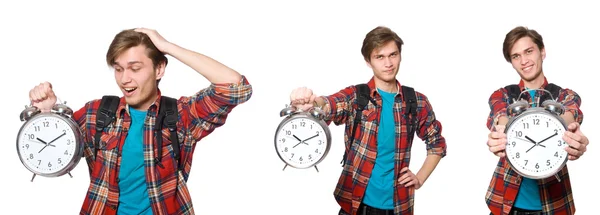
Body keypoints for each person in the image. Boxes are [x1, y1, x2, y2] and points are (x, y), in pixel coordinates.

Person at [28, 28, 252, 215]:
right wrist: (49, 112)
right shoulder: (96, 114)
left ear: (159, 69)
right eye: (118, 69)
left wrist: (168, 47)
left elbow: (236, 88)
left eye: (135, 68)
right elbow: (53, 155)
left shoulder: (181, 116)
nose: (125, 79)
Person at [289, 26, 447, 215]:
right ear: (368, 61)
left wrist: (420, 178)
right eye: (380, 57)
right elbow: (328, 104)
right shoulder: (357, 97)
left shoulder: (416, 101)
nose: (388, 63)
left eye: (393, 55)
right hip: (354, 204)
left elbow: (437, 143)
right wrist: (311, 100)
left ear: (400, 56)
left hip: (398, 206)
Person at [485, 26, 589, 215]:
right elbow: (499, 115)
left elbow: (571, 112)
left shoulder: (564, 95)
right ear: (512, 62)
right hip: (505, 205)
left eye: (529, 51)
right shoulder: (503, 95)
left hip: (554, 207)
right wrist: (500, 132)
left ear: (542, 51)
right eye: (516, 56)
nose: (524, 61)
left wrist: (569, 129)